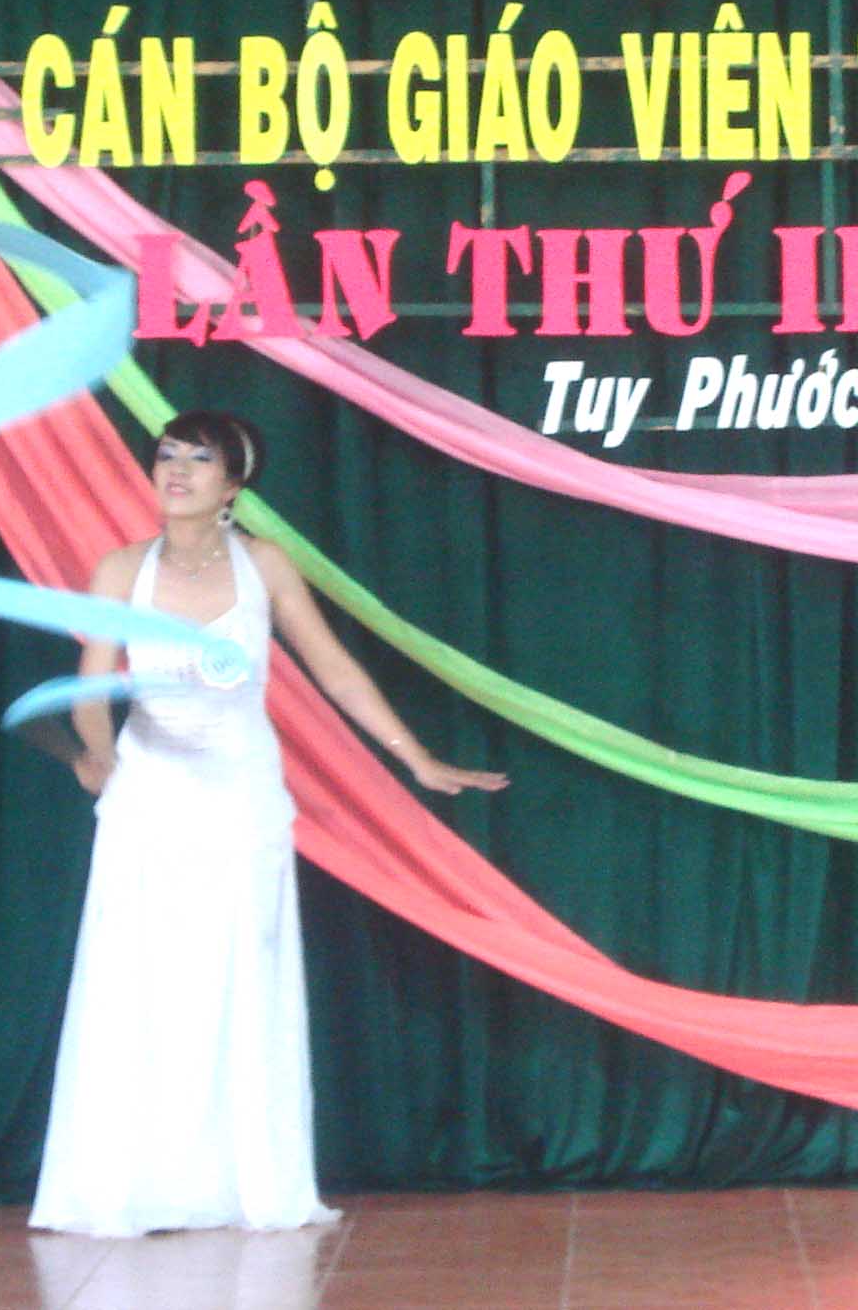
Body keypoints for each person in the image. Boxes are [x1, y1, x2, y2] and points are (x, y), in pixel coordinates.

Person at [28, 409, 505, 1236]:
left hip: (242, 796)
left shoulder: (266, 564)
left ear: (234, 484)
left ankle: (243, 1182)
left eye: (198, 458)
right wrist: (99, 755)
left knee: (241, 982)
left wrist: (417, 758)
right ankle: (126, 1187)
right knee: (138, 985)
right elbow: (93, 688)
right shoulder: (119, 569)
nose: (176, 470)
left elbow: (336, 670)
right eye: (167, 455)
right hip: (148, 796)